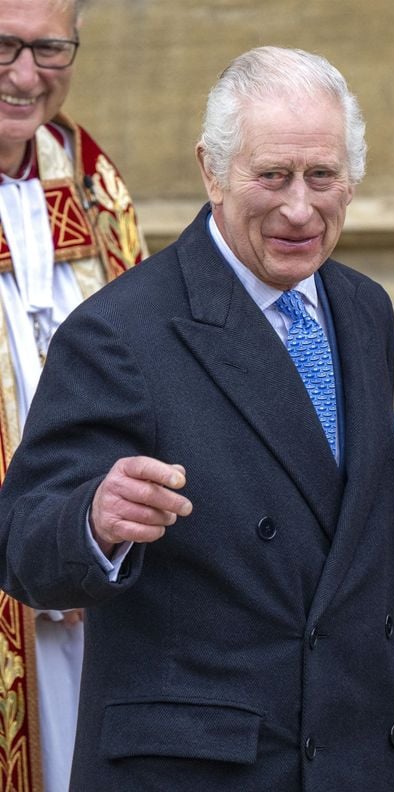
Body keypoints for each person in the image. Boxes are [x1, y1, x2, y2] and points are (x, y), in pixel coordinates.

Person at [0, 46, 394, 791]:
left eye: (321, 176)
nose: (300, 208)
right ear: (212, 171)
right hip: (205, 766)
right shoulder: (122, 332)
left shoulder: (366, 310)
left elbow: (362, 528)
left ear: (352, 179)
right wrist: (94, 521)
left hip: (359, 750)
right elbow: (21, 542)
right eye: (272, 176)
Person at [0, 0, 146, 789]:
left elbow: (154, 368)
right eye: (3, 48)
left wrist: (92, 538)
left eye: (51, 49)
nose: (27, 77)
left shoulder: (89, 173)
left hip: (97, 570)